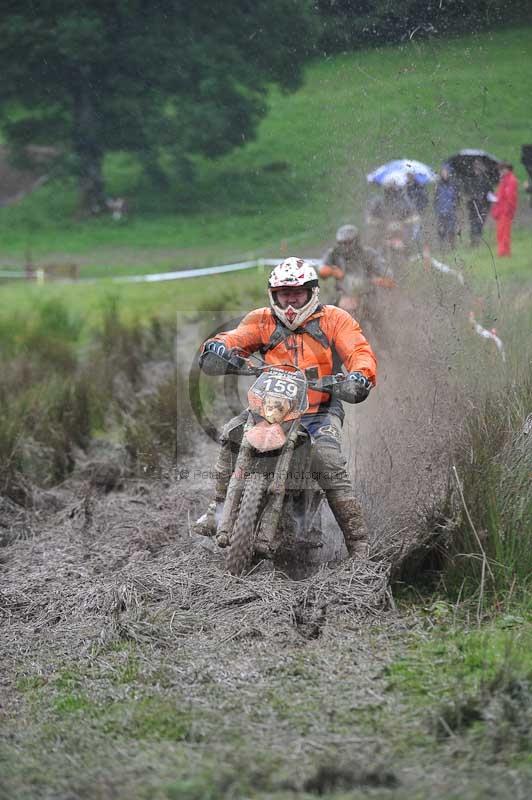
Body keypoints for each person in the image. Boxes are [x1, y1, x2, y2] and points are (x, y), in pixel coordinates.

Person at [196, 257, 377, 559]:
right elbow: (236, 338)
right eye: (284, 293)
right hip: (270, 409)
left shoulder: (335, 319)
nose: (290, 301)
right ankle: (217, 507)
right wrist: (220, 346)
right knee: (231, 433)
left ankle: (359, 545)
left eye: (297, 293)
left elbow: (358, 350)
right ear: (274, 295)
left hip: (319, 411)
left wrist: (360, 374)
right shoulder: (261, 320)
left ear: (312, 292)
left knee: (327, 460)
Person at [318, 224, 392, 314]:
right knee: (325, 314)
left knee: (377, 317)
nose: (345, 247)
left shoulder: (368, 254)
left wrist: (378, 280)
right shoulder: (334, 253)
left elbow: (386, 273)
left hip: (366, 293)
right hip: (342, 292)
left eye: (348, 243)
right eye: (342, 243)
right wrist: (333, 271)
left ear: (356, 241)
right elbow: (322, 271)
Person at [491, 162, 518, 257]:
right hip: (501, 210)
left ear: (506, 169)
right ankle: (503, 251)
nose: (500, 172)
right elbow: (501, 195)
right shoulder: (505, 180)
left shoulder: (511, 181)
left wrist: (508, 210)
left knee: (504, 233)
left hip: (505, 211)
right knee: (501, 232)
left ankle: (504, 252)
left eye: (501, 170)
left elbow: (510, 198)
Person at [465, 158, 492, 246]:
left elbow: (490, 193)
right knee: (473, 223)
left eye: (478, 166)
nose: (477, 169)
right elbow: (467, 191)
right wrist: (471, 196)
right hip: (473, 205)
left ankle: (478, 239)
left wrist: (486, 202)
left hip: (483, 205)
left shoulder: (485, 180)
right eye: (475, 166)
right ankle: (473, 240)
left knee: (479, 223)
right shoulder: (470, 179)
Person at [433, 164, 460, 250]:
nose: (445, 174)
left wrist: (455, 206)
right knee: (441, 229)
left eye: (446, 172)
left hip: (451, 210)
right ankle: (442, 246)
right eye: (443, 172)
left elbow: (457, 198)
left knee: (451, 229)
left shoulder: (453, 185)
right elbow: (435, 199)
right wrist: (437, 209)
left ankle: (452, 246)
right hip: (441, 210)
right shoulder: (438, 185)